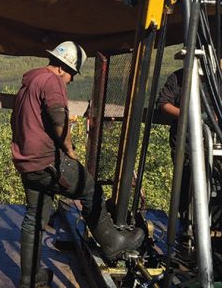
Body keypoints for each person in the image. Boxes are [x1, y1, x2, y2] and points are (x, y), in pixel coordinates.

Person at [11, 41, 145, 288]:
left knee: (34, 218)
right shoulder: (53, 82)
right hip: (47, 161)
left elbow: (16, 119)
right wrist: (69, 150)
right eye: (72, 74)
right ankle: (113, 243)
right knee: (89, 188)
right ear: (64, 68)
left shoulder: (30, 81)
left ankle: (29, 279)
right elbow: (58, 120)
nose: (71, 80)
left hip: (27, 162)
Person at [156, 65, 222, 245]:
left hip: (216, 140)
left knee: (217, 184)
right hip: (184, 141)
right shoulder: (178, 77)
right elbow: (163, 102)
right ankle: (186, 228)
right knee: (186, 182)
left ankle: (215, 231)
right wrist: (188, 115)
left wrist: (218, 115)